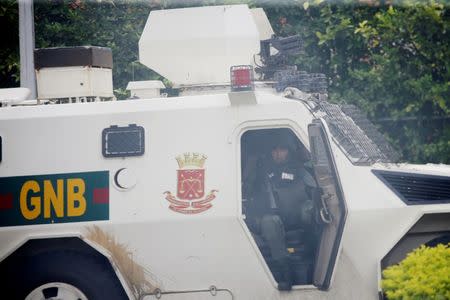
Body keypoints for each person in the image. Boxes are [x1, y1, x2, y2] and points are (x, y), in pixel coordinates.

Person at [244, 133, 317, 290]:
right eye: (275, 150)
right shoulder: (262, 171)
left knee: (310, 210)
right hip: (272, 219)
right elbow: (248, 192)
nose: (278, 153)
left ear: (289, 151)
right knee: (270, 223)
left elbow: (316, 192)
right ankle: (285, 272)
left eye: (282, 149)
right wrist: (251, 165)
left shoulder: (300, 170)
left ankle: (317, 258)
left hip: (297, 219)